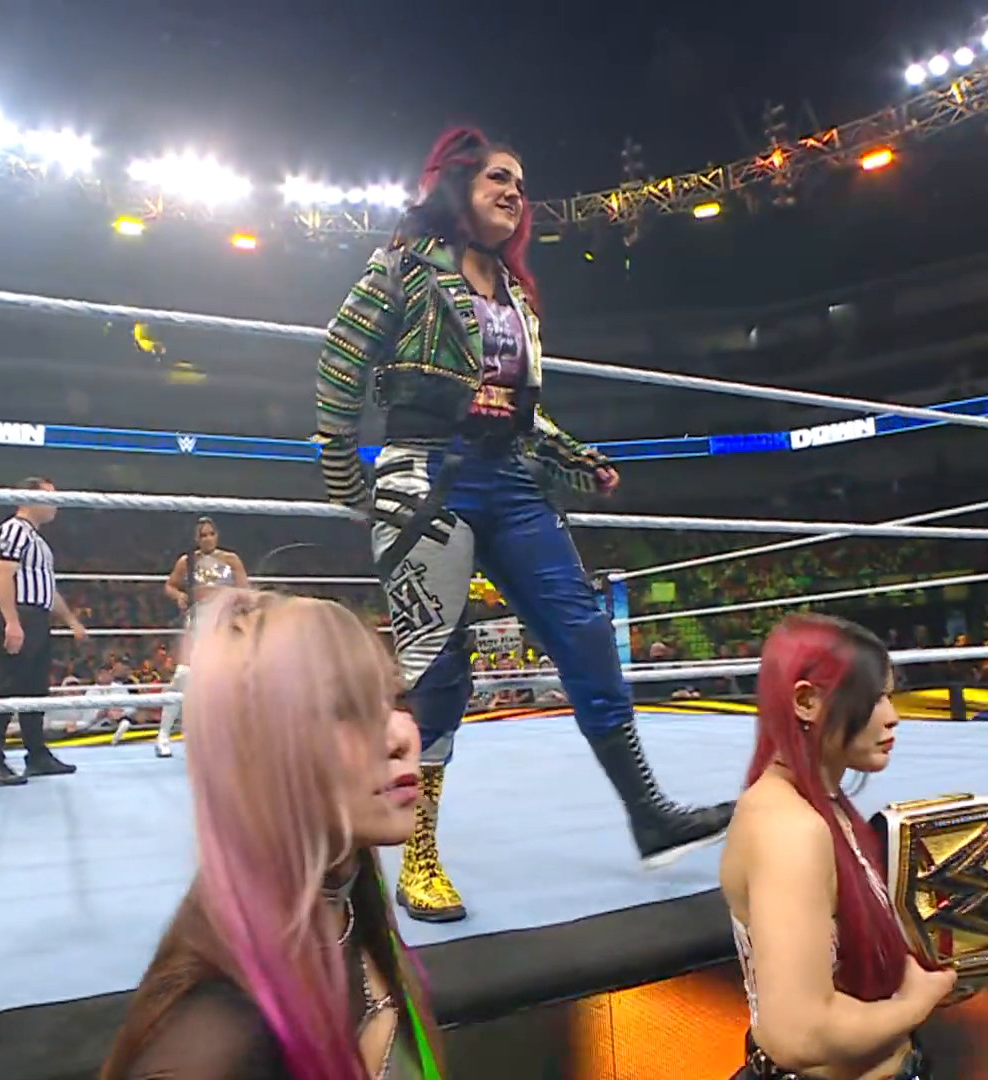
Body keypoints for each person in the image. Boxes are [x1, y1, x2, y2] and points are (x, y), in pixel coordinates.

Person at [310, 126, 731, 923]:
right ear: (458, 186)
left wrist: (577, 459)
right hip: (424, 473)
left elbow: (519, 409)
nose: (514, 191)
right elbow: (340, 360)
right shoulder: (402, 264)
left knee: (584, 631)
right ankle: (418, 854)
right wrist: (344, 472)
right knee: (439, 670)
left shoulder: (515, 294)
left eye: (521, 183)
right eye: (498, 177)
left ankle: (648, 811)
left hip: (507, 477)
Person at [101, 590, 445, 1080]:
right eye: (344, 709)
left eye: (394, 700)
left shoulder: (355, 913)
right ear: (256, 754)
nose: (399, 737)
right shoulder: (210, 1042)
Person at [721, 614, 988, 1079]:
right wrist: (917, 1003)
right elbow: (798, 1034)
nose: (892, 716)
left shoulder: (824, 809)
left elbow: (869, 969)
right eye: (872, 699)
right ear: (807, 701)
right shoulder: (789, 828)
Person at [0, 476, 87, 787]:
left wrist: (71, 620)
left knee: (35, 690)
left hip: (37, 617)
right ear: (29, 498)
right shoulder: (13, 529)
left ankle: (37, 755)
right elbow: (2, 575)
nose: (56, 504)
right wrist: (11, 621)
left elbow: (47, 589)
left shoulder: (36, 539)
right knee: (7, 686)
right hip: (19, 614)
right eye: (50, 497)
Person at [154, 517, 250, 759]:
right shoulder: (187, 561)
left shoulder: (231, 559)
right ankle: (163, 735)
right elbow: (169, 585)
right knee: (182, 675)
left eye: (211, 534)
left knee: (224, 679)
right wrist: (179, 596)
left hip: (225, 622)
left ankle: (221, 737)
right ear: (196, 538)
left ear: (217, 535)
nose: (207, 539)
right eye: (203, 535)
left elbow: (246, 591)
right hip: (197, 620)